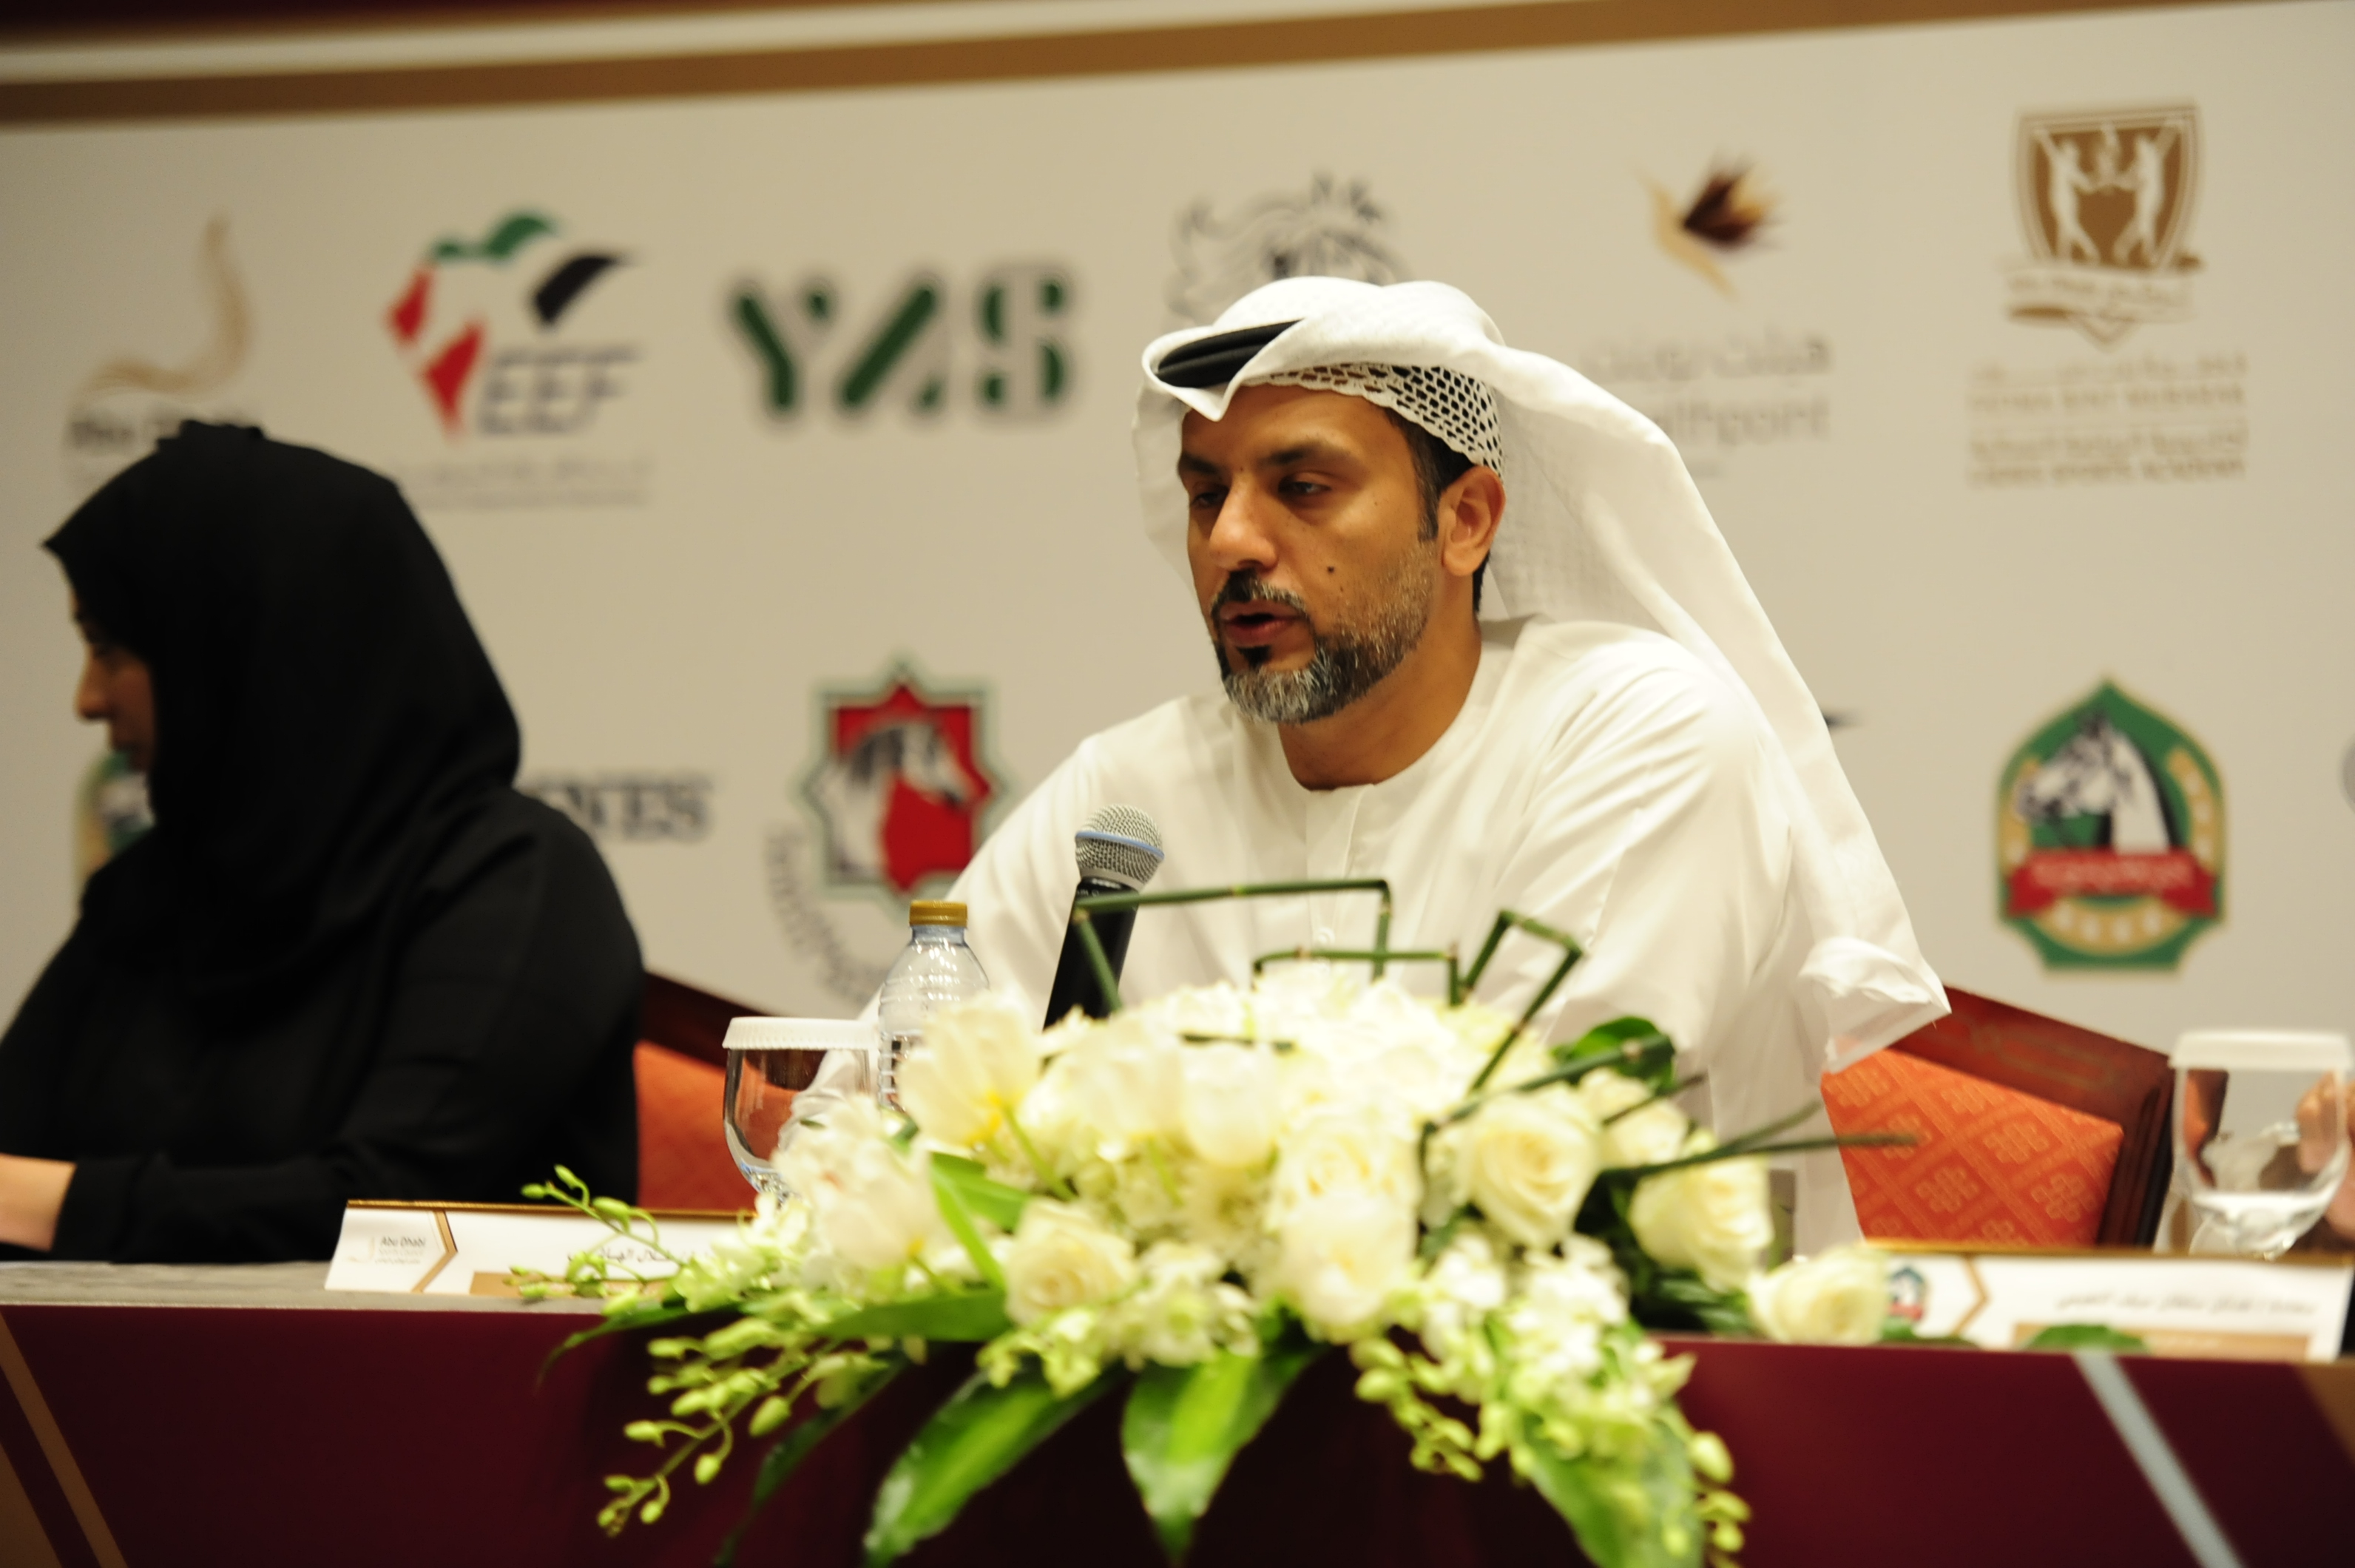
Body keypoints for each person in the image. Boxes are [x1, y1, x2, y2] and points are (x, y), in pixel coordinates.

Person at [945, 278, 1946, 1248]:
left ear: (1465, 521)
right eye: (1207, 494)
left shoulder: (1641, 735)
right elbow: (913, 1104)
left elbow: (1520, 1167)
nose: (1231, 541)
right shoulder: (1126, 797)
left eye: (1303, 488)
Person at [0, 423, 642, 1263]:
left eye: (109, 647)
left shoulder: (515, 883)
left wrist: (59, 1204)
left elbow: (394, 1218)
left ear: (238, 650)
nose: (87, 699)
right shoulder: (151, 895)